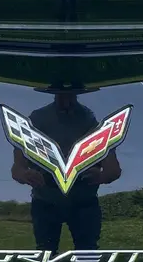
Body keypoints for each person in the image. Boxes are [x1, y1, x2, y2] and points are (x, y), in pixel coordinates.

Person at [10, 90, 122, 251]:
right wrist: (25, 174)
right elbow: (17, 168)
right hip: (46, 199)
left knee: (86, 254)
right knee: (46, 254)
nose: (66, 102)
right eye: (61, 94)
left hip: (83, 198)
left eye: (71, 95)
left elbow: (113, 169)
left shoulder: (90, 122)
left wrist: (104, 175)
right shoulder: (37, 119)